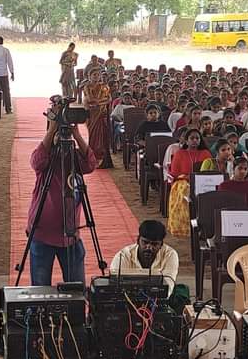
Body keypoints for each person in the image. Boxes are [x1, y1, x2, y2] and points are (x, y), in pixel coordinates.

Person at [27, 109, 97, 286]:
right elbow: (36, 161)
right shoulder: (46, 159)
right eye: (58, 132)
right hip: (42, 233)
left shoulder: (75, 159)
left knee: (76, 289)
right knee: (40, 290)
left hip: (70, 235)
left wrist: (77, 135)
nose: (61, 136)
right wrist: (51, 131)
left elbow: (90, 164)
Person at [110, 220, 180, 290]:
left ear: (161, 245)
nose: (149, 247)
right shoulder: (123, 256)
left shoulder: (170, 255)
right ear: (138, 240)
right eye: (145, 242)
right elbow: (114, 285)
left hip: (158, 299)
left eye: (154, 244)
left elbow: (168, 287)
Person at [167, 129, 212, 236]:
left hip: (202, 181)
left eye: (197, 138)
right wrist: (189, 178)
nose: (195, 141)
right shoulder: (180, 153)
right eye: (192, 138)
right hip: (183, 181)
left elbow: (211, 170)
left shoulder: (205, 153)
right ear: (186, 141)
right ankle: (184, 226)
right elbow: (175, 173)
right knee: (185, 189)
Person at [83, 69, 113, 168]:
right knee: (93, 136)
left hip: (102, 114)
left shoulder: (105, 87)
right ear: (89, 76)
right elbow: (90, 99)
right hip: (92, 115)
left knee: (103, 136)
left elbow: (109, 99)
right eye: (94, 74)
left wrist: (98, 103)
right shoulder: (87, 87)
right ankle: (92, 158)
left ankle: (104, 160)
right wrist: (101, 102)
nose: (96, 76)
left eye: (98, 75)